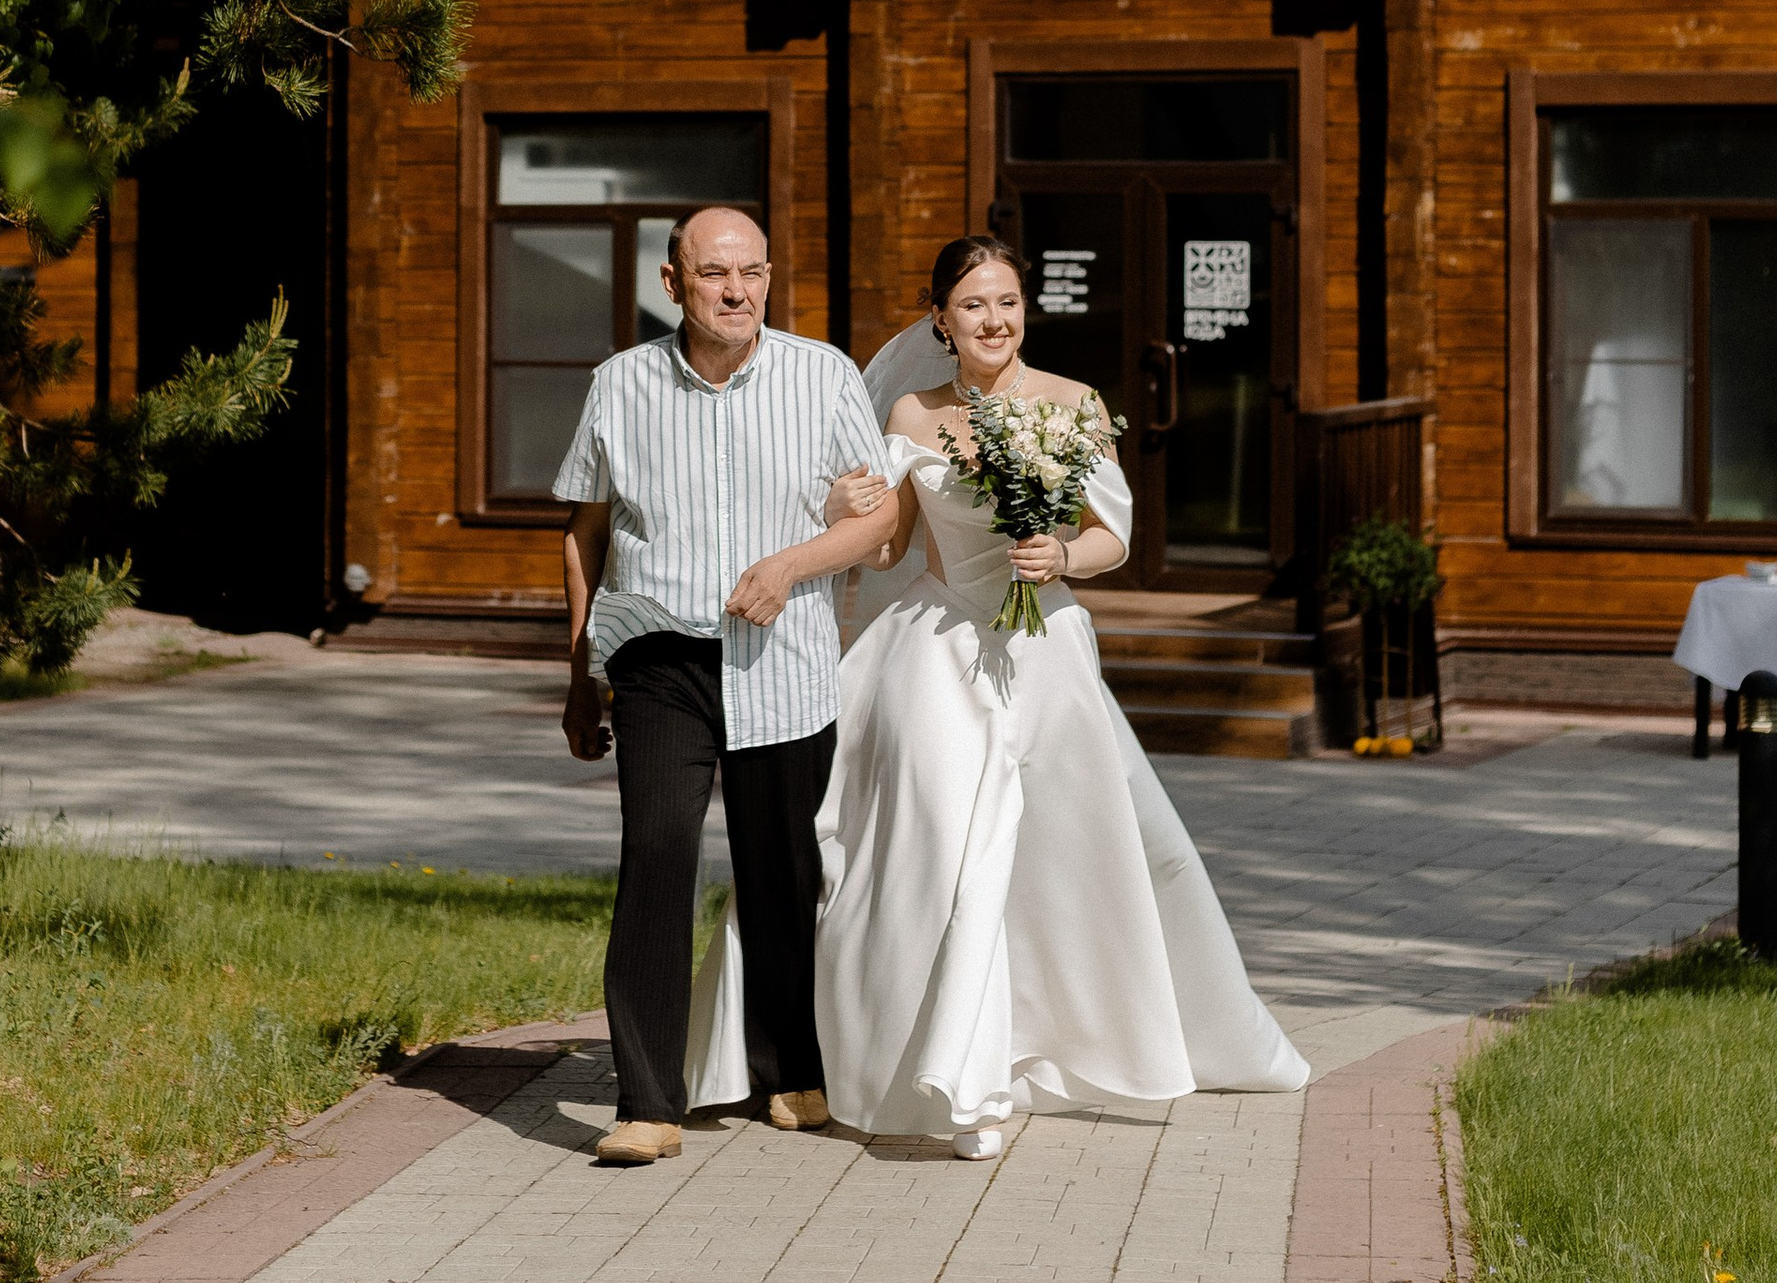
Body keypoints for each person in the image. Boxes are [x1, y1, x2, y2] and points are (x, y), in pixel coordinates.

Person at [688, 231, 1306, 1152]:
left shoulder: (1072, 406)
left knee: (1066, 850)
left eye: (1008, 302)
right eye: (973, 305)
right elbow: (893, 546)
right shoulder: (910, 415)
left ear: (1027, 309)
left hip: (1043, 645)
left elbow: (1112, 537)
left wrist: (1059, 554)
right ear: (940, 318)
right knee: (943, 835)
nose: (994, 321)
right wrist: (840, 510)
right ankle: (917, 1059)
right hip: (936, 647)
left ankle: (1042, 1037)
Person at [555, 204, 895, 1168]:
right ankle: (648, 1103)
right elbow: (584, 532)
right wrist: (581, 673)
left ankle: (790, 1070)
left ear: (771, 277)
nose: (736, 290)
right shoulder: (619, 385)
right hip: (658, 659)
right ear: (673, 285)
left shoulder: (822, 374)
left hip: (782, 662)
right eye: (713, 274)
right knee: (657, 860)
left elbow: (876, 521)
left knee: (783, 868)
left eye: (751, 272)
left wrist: (790, 566)